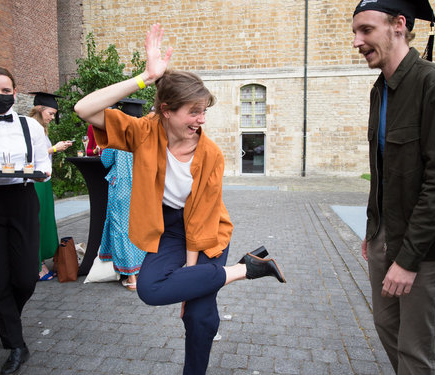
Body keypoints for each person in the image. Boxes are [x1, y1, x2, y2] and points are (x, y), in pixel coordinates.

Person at [75, 23, 286, 375]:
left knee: (200, 316)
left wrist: (190, 281)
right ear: (166, 110)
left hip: (206, 232)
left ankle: (196, 368)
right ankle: (249, 268)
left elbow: (201, 219)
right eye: (193, 112)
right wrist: (146, 76)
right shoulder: (143, 132)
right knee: (149, 289)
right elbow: (85, 108)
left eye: (204, 111)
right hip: (167, 229)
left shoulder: (211, 154)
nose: (200, 120)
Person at [352, 0, 435, 373]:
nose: (356, 41)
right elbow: (383, 170)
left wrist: (409, 259)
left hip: (425, 252)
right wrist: (373, 228)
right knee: (387, 328)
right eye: (355, 32)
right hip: (385, 238)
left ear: (399, 25)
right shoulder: (379, 90)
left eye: (366, 30)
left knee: (416, 353)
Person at [0, 66, 51, 374]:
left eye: (5, 90)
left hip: (22, 198)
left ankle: (9, 316)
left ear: (14, 91)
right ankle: (15, 345)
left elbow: (44, 161)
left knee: (24, 276)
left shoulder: (30, 126)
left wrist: (42, 171)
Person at [99, 98, 147, 291]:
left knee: (123, 230)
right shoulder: (148, 134)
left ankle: (132, 278)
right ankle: (143, 270)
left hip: (122, 189)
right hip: (144, 188)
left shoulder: (117, 134)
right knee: (142, 228)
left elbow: (106, 160)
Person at [29, 92, 72, 280]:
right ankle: (35, 265)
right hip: (34, 182)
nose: (52, 117)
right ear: (39, 109)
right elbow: (30, 154)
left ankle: (42, 260)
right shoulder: (29, 127)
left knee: (45, 220)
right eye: (50, 113)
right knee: (35, 221)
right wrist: (54, 148)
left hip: (45, 182)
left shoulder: (42, 128)